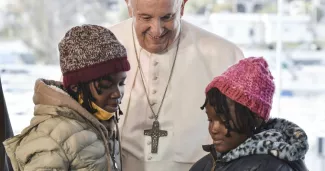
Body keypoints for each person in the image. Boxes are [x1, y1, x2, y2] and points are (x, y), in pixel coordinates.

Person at [108, 0, 244, 170]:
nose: (156, 30)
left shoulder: (224, 54)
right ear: (129, 5)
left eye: (167, 17)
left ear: (183, 6)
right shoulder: (103, 46)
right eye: (145, 17)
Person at [3, 25, 130, 171]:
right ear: (76, 87)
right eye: (106, 85)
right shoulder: (51, 138)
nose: (117, 93)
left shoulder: (103, 126)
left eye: (121, 83)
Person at [190, 57, 309, 171]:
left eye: (224, 120)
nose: (214, 129)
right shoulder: (209, 162)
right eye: (210, 120)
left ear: (255, 117)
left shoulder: (271, 167)